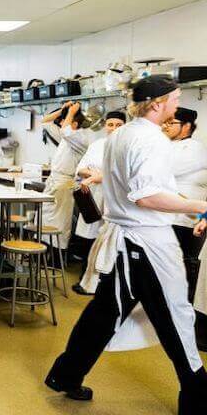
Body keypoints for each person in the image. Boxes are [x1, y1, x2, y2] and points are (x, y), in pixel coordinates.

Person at [45, 75, 207, 415]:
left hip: (124, 240)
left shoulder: (121, 135)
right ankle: (197, 397)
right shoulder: (152, 141)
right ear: (159, 103)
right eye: (176, 100)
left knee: (103, 313)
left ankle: (66, 375)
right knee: (176, 316)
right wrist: (200, 206)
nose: (178, 106)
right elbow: (147, 196)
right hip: (148, 242)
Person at [163, 107, 207, 350]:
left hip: (187, 219)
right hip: (169, 216)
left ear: (187, 126)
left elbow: (163, 169)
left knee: (185, 267)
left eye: (172, 122)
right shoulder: (170, 146)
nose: (166, 126)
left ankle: (183, 315)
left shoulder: (194, 149)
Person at [71, 110, 127, 295]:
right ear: (105, 126)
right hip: (92, 195)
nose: (114, 128)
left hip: (115, 198)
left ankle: (101, 283)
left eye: (119, 125)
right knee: (88, 238)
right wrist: (92, 175)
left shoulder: (128, 147)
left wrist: (97, 176)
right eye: (111, 124)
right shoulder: (97, 144)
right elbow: (80, 168)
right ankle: (86, 279)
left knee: (109, 240)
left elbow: (121, 174)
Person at [40, 101, 94, 250]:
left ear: (75, 124)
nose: (61, 123)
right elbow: (45, 122)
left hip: (65, 182)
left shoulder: (80, 138)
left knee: (60, 220)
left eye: (64, 121)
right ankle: (44, 250)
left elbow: (65, 130)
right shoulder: (66, 137)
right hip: (54, 180)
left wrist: (71, 112)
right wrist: (63, 110)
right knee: (46, 217)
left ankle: (57, 254)